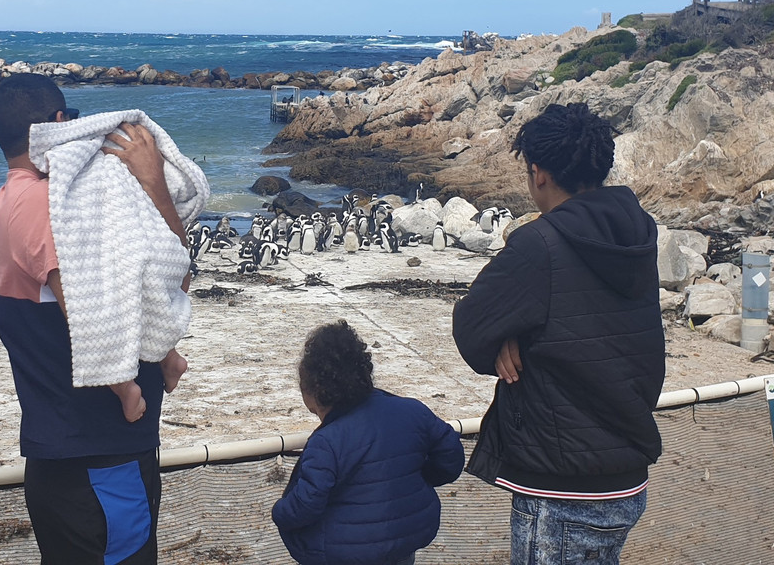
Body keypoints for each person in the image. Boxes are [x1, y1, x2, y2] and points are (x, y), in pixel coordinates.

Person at [0, 73, 193, 565]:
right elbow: (168, 282)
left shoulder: (11, 199)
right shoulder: (45, 206)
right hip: (103, 465)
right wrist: (154, 182)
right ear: (58, 125)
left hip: (64, 456)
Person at [452, 102, 664, 565]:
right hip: (625, 475)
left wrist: (503, 334)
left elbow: (471, 328)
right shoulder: (637, 234)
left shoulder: (541, 243)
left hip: (562, 488)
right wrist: (513, 332)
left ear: (538, 173)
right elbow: (583, 317)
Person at [272, 320, 465, 565]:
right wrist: (414, 478)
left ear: (315, 390)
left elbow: (306, 504)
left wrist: (279, 512)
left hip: (344, 553)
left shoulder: (326, 442)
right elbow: (451, 457)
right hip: (403, 540)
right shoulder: (413, 411)